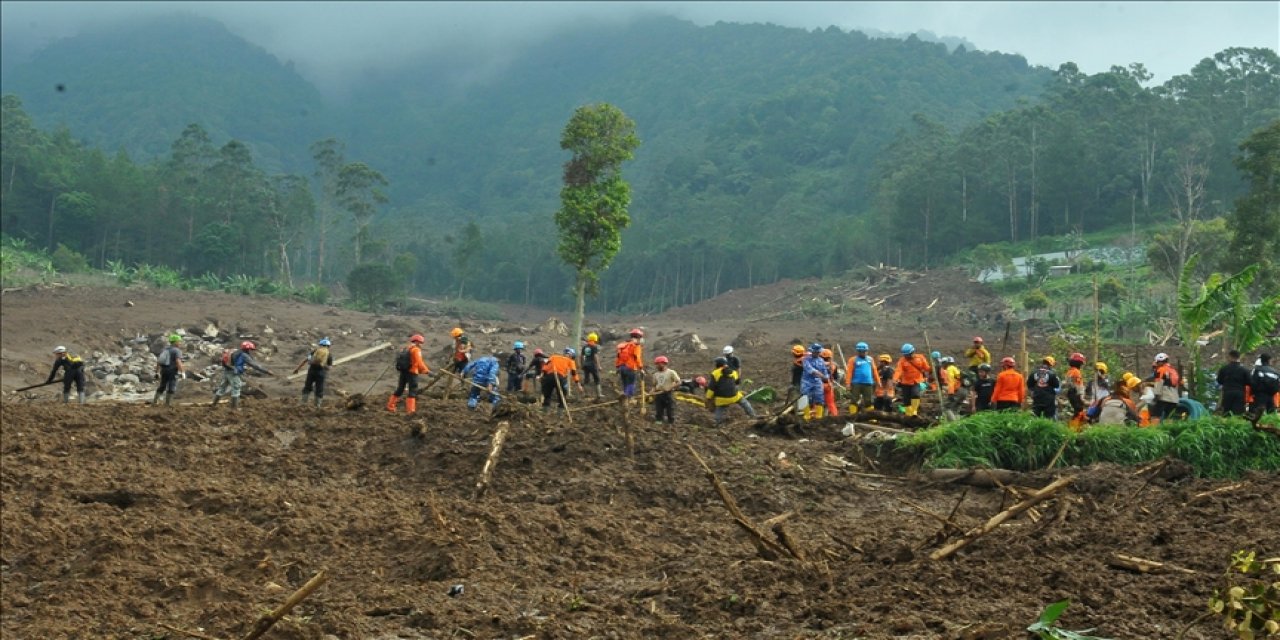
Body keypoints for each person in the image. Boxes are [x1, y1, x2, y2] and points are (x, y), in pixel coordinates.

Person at [213, 341, 273, 409]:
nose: (252, 351)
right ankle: (234, 408)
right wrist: (267, 371)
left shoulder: (235, 351)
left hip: (227, 371)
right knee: (236, 388)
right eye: (251, 349)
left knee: (222, 388)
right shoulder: (244, 355)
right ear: (248, 349)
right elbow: (255, 365)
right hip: (233, 373)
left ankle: (213, 404)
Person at [706, 356, 757, 424]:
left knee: (720, 408)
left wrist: (708, 397)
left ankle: (717, 422)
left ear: (717, 364)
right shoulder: (733, 372)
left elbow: (711, 388)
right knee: (744, 402)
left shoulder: (715, 373)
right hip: (734, 396)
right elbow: (735, 382)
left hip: (722, 399)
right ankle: (753, 415)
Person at [387, 334, 430, 414]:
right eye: (421, 342)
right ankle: (411, 411)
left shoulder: (406, 348)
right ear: (417, 342)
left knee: (400, 389)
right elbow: (419, 363)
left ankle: (390, 406)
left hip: (403, 371)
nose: (421, 344)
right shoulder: (416, 350)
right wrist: (427, 371)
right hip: (412, 373)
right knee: (412, 391)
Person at [892, 343, 932, 417]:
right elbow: (898, 371)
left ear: (912, 352)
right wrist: (895, 379)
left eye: (908, 355)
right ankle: (908, 414)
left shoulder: (920, 358)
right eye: (905, 355)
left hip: (916, 381)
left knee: (915, 395)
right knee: (906, 400)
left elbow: (926, 368)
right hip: (905, 382)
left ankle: (914, 411)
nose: (906, 356)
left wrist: (932, 368)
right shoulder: (902, 361)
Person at [295, 337, 333, 409]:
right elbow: (329, 367)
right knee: (319, 389)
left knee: (307, 387)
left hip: (311, 371)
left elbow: (306, 360)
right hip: (321, 373)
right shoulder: (329, 354)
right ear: (328, 346)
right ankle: (317, 406)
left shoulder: (314, 351)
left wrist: (297, 369)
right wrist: (323, 365)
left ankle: (303, 403)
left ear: (320, 344)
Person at [844, 342, 880, 415]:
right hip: (856, 383)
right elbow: (849, 372)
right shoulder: (853, 360)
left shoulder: (870, 359)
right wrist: (848, 383)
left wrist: (878, 381)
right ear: (858, 351)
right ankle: (852, 415)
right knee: (854, 400)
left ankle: (870, 416)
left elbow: (874, 370)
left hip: (868, 383)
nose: (864, 353)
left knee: (868, 400)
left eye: (865, 351)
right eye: (862, 351)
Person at [542, 347, 583, 412]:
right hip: (560, 378)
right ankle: (560, 409)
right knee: (563, 392)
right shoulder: (570, 361)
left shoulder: (553, 357)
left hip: (549, 377)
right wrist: (578, 384)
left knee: (547, 393)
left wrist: (543, 377)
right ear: (571, 355)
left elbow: (544, 368)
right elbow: (574, 373)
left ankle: (545, 408)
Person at [152, 334, 185, 407]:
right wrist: (182, 372)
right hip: (172, 371)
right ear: (175, 342)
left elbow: (159, 361)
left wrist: (157, 372)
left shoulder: (165, 350)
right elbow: (178, 361)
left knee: (162, 385)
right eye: (179, 341)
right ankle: (168, 404)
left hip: (164, 370)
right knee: (172, 386)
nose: (180, 343)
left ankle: (155, 402)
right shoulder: (177, 351)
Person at [1216, 350, 1251, 416]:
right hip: (1240, 393)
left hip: (1228, 392)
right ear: (1239, 357)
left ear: (1230, 357)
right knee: (1238, 413)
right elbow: (1249, 382)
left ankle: (1226, 425)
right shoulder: (1245, 370)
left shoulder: (1224, 369)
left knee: (1226, 412)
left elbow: (1219, 381)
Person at [800, 343, 830, 420]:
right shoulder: (806, 360)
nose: (817, 353)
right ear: (812, 351)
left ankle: (819, 416)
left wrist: (826, 377)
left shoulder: (821, 360)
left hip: (817, 382)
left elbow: (825, 371)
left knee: (820, 399)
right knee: (804, 398)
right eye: (816, 352)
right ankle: (806, 416)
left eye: (818, 352)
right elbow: (811, 370)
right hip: (807, 382)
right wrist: (822, 376)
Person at [1148, 353, 1181, 421]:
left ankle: (1154, 431)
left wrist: (1155, 397)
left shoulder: (1161, 370)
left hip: (1163, 398)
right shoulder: (1173, 370)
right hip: (1174, 398)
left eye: (1157, 362)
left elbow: (1159, 383)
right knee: (1169, 417)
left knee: (1155, 415)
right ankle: (1168, 430)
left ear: (1159, 361)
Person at [615, 329, 644, 403]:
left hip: (622, 368)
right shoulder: (636, 346)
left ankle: (625, 399)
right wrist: (641, 368)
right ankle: (629, 397)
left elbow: (618, 357)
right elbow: (637, 357)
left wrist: (618, 367)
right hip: (630, 367)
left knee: (625, 384)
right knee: (631, 383)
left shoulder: (623, 345)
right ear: (639, 337)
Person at [650, 355, 681, 424]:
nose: (657, 366)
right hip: (658, 394)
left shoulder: (671, 372)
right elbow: (654, 386)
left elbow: (678, 382)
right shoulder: (655, 375)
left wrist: (670, 387)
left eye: (658, 364)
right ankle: (659, 423)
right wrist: (652, 391)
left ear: (664, 363)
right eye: (656, 364)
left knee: (670, 410)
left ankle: (671, 424)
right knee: (659, 410)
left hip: (668, 394)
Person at [1064, 352, 1087, 425]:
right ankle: (1073, 428)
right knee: (1078, 411)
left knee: (1077, 411)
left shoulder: (1069, 371)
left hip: (1070, 393)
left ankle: (1077, 427)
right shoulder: (1077, 372)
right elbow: (1078, 385)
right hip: (1076, 394)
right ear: (1079, 363)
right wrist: (1081, 396)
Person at [581, 333, 603, 398]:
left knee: (586, 379)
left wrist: (582, 364)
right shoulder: (594, 346)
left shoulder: (585, 347)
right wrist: (599, 366)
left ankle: (586, 394)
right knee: (597, 379)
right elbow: (595, 356)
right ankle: (599, 394)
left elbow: (581, 356)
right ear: (595, 339)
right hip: (592, 365)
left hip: (585, 365)